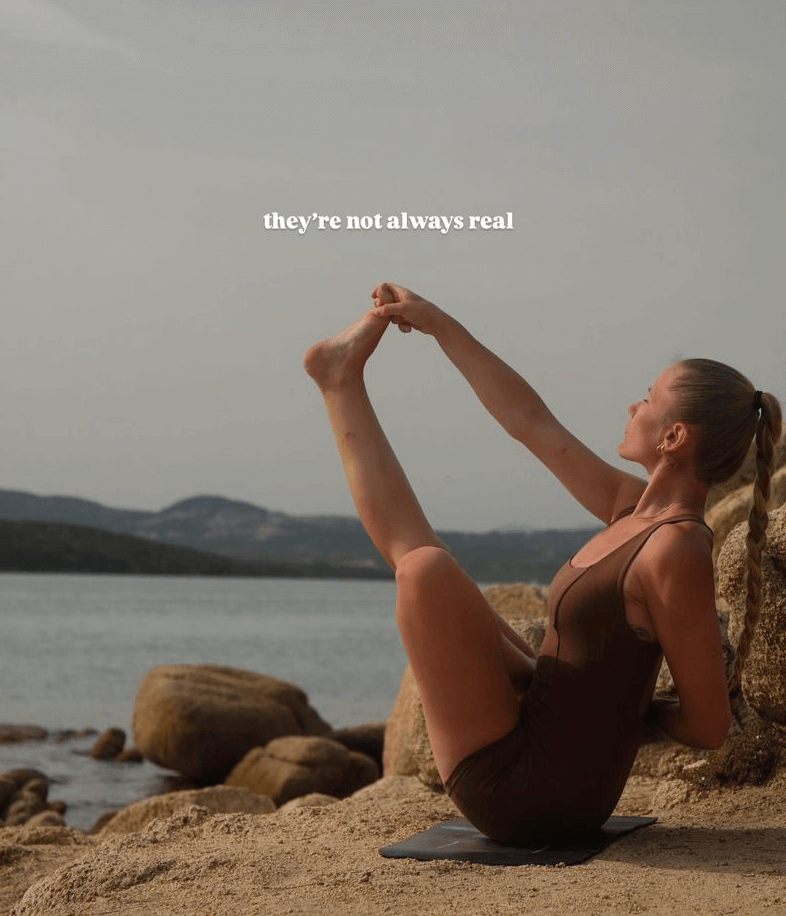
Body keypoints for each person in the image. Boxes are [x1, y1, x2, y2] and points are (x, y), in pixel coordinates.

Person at [302, 282, 782, 845]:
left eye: (647, 399)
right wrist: (437, 324)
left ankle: (339, 384)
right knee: (431, 563)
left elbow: (709, 725)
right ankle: (340, 379)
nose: (633, 406)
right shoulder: (632, 511)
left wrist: (628, 716)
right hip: (538, 735)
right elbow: (529, 420)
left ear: (674, 436)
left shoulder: (676, 548)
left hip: (534, 793)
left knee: (424, 567)